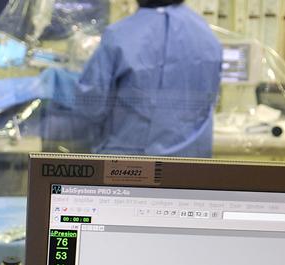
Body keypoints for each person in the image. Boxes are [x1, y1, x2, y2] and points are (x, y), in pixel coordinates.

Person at [46, 0, 222, 157]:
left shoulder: (121, 35)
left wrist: (61, 85)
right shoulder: (207, 36)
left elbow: (91, 105)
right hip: (192, 165)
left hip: (130, 166)